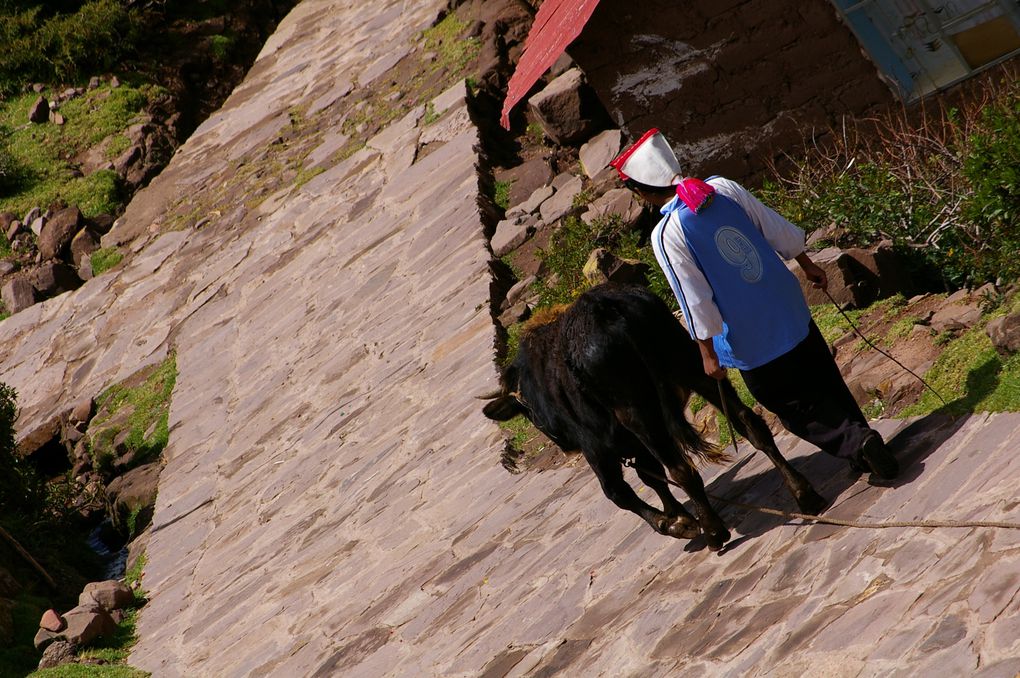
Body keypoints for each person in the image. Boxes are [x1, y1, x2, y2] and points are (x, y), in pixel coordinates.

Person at [609, 128, 898, 480]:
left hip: (751, 334)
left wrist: (707, 352)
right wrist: (806, 264)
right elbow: (772, 225)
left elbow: (693, 296)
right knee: (823, 379)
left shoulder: (668, 233)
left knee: (787, 403)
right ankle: (865, 450)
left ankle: (858, 443)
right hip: (788, 305)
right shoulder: (722, 187)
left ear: (642, 191)